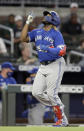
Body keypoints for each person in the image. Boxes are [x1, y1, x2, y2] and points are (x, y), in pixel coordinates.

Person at [21, 10, 68, 126]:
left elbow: (62, 51)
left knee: (52, 94)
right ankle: (58, 106)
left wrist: (48, 49)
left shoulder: (56, 34)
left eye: (48, 15)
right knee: (36, 92)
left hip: (56, 63)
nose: (45, 16)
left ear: (54, 19)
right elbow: (23, 38)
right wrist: (27, 22)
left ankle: (61, 119)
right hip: (43, 65)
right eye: (46, 15)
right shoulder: (37, 32)